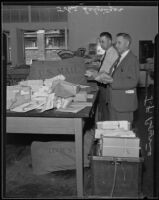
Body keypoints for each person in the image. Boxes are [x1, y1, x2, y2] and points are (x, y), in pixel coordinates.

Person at [108, 33, 140, 123]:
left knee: (124, 133)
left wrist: (111, 81)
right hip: (115, 102)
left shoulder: (132, 59)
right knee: (114, 132)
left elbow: (133, 81)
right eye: (116, 43)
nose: (116, 45)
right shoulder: (120, 57)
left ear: (127, 43)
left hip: (124, 104)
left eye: (119, 43)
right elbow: (115, 74)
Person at [89, 32, 119, 121]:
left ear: (110, 41)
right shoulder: (107, 52)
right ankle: (102, 124)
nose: (101, 44)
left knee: (106, 107)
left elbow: (109, 72)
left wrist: (95, 74)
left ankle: (105, 126)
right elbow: (103, 67)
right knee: (102, 106)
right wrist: (95, 71)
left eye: (103, 42)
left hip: (106, 84)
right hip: (101, 82)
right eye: (100, 42)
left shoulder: (113, 53)